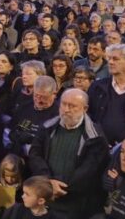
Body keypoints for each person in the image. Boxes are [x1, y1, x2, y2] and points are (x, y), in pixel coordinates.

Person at [28, 89, 109, 219]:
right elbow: (35, 154)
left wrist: (58, 188)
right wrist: (48, 182)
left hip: (76, 204)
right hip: (46, 196)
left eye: (72, 106)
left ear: (85, 108)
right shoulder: (48, 127)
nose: (66, 109)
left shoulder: (95, 137)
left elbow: (88, 172)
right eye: (63, 104)